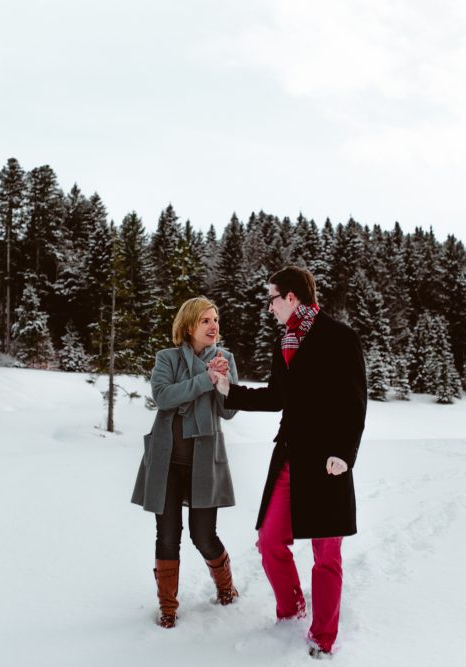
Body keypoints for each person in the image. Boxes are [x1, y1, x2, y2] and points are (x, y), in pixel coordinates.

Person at [211, 266, 367, 658]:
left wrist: (344, 455)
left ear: (292, 297)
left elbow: (355, 403)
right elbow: (277, 397)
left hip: (327, 461)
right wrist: (230, 391)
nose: (269, 308)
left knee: (326, 554)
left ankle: (323, 638)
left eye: (272, 298)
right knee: (269, 541)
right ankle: (291, 609)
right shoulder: (287, 342)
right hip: (290, 455)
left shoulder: (340, 337)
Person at [130, 296, 240, 629]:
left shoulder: (225, 358)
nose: (214, 326)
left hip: (204, 461)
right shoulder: (167, 358)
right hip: (167, 461)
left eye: (216, 320)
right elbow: (163, 396)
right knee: (167, 535)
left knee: (203, 535)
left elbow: (230, 411)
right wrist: (203, 380)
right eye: (206, 320)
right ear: (189, 325)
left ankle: (225, 588)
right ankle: (168, 607)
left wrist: (222, 385)